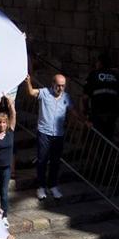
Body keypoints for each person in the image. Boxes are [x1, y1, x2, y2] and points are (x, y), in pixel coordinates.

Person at [25, 70, 79, 199]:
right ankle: (41, 187)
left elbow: (73, 111)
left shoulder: (66, 97)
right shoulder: (44, 92)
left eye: (63, 85)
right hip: (44, 132)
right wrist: (28, 82)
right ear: (53, 83)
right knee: (42, 161)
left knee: (55, 161)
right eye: (58, 85)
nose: (60, 88)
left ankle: (53, 186)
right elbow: (32, 92)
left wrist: (84, 121)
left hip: (58, 134)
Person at [84, 52, 119, 140]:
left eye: (97, 62)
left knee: (96, 139)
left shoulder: (94, 74)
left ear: (100, 63)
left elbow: (85, 97)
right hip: (112, 113)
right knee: (108, 139)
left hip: (98, 113)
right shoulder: (116, 75)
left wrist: (86, 111)